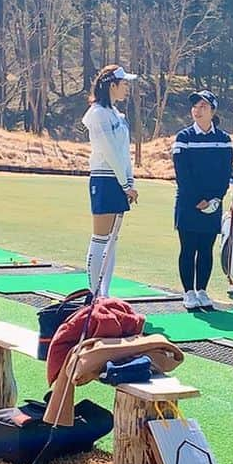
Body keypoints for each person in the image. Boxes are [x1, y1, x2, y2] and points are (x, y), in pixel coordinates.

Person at [171, 90, 233, 310]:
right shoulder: (184, 137)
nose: (197, 111)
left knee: (206, 249)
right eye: (195, 107)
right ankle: (188, 292)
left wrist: (216, 198)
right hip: (188, 202)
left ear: (212, 111)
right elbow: (183, 173)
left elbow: (225, 172)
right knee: (188, 248)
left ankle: (202, 291)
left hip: (213, 202)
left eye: (203, 107)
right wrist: (198, 199)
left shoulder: (224, 139)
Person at [83, 65, 138, 295]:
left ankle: (104, 293)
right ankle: (94, 293)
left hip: (119, 180)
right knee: (100, 238)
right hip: (105, 179)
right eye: (123, 83)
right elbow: (108, 151)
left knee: (112, 239)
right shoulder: (97, 114)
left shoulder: (117, 114)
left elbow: (123, 152)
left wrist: (130, 180)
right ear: (111, 85)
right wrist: (125, 183)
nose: (126, 87)